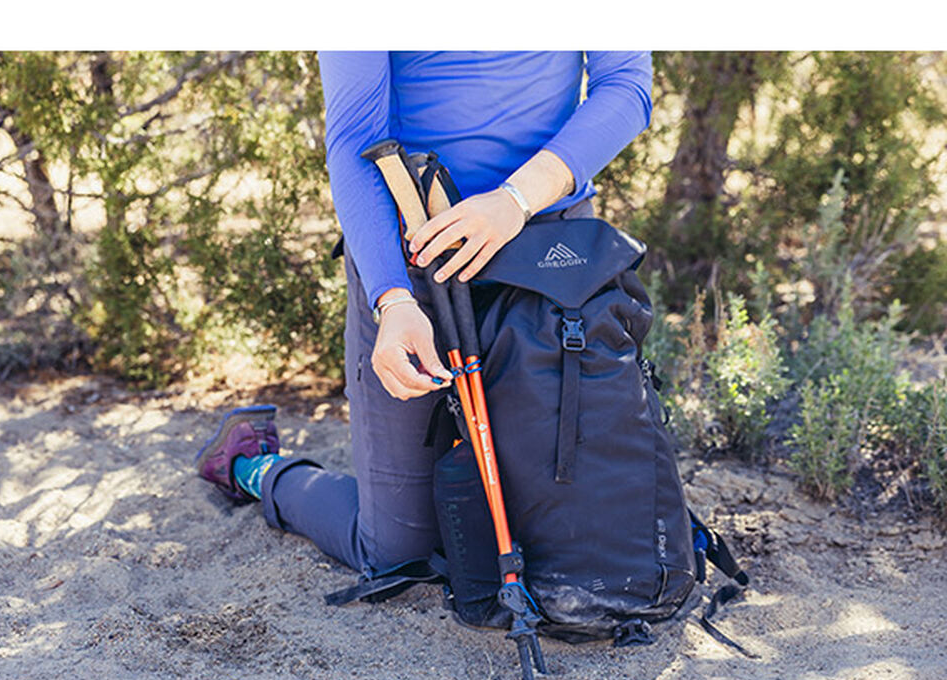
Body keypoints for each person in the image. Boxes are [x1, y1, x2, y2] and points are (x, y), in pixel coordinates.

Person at [195, 51, 653, 580]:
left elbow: (626, 84)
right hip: (414, 252)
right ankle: (252, 465)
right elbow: (354, 137)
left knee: (559, 531)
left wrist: (514, 201)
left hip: (550, 247)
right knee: (399, 551)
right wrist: (392, 299)